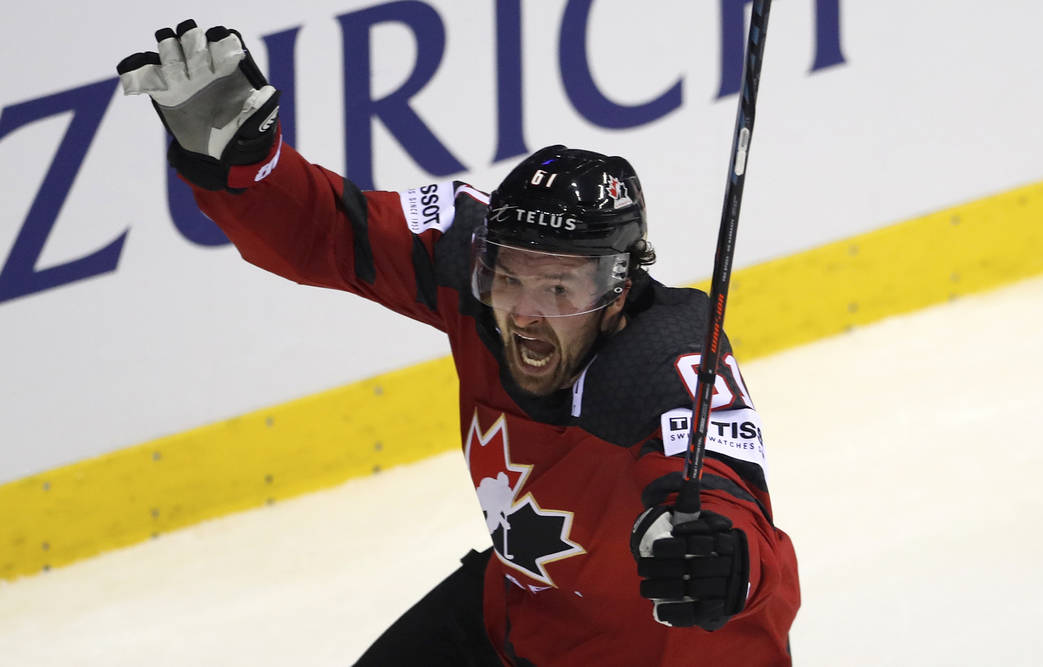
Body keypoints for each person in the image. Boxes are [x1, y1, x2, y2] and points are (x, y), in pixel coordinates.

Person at [118, 20, 800, 666]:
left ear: (619, 289)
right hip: (517, 616)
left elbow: (727, 501)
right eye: (509, 278)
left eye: (560, 289)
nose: (526, 314)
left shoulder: (666, 364)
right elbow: (329, 230)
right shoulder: (466, 272)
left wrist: (723, 560)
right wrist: (245, 169)